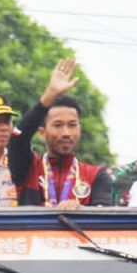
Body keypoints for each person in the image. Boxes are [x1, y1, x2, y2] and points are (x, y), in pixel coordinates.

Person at [7, 57, 112, 208]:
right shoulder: (28, 168)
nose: (66, 132)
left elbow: (105, 220)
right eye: (58, 125)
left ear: (79, 129)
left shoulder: (96, 175)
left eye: (72, 125)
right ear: (42, 132)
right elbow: (18, 138)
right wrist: (48, 96)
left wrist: (80, 209)